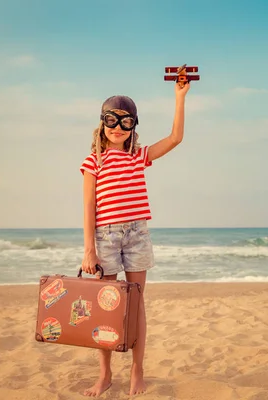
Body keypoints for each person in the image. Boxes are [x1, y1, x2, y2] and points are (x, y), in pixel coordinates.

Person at [78, 80, 191, 397]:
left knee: (137, 304)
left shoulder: (139, 156)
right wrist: (89, 251)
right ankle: (105, 374)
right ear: (102, 123)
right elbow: (89, 207)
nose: (117, 128)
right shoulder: (94, 162)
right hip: (106, 237)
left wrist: (179, 97)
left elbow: (176, 138)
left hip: (137, 234)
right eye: (111, 120)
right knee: (107, 308)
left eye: (125, 121)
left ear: (133, 125)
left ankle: (137, 372)